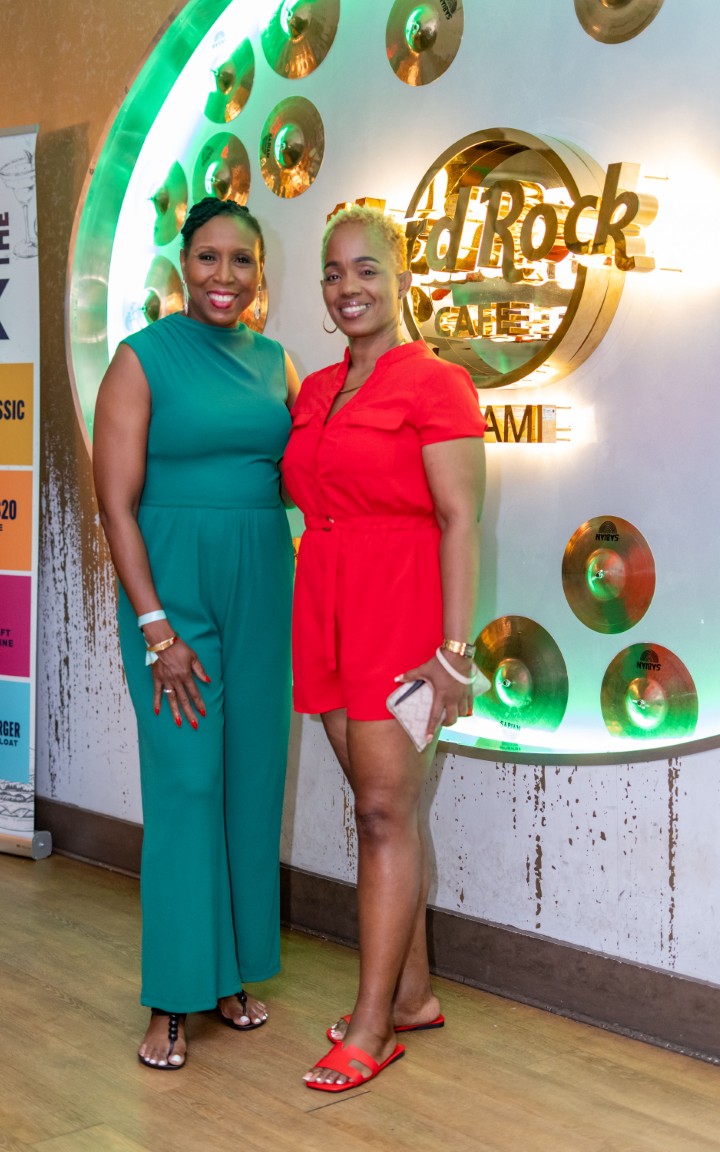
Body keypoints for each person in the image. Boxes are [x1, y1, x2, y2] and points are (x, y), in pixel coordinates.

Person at [281, 205, 486, 1092]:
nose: (349, 287)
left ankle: (372, 1029)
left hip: (400, 618)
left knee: (382, 815)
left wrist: (454, 652)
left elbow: (460, 519)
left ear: (401, 278)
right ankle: (412, 994)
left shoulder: (438, 383)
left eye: (367, 269)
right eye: (334, 272)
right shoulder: (316, 390)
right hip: (324, 608)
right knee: (377, 808)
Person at [93, 196, 299, 1070]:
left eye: (241, 260)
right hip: (171, 595)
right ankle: (173, 995)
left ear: (260, 272)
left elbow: (305, 475)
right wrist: (154, 628)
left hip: (264, 587)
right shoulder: (141, 360)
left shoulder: (276, 362)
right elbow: (115, 503)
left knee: (250, 783)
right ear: (183, 264)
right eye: (208, 257)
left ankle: (229, 975)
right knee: (185, 787)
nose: (225, 276)